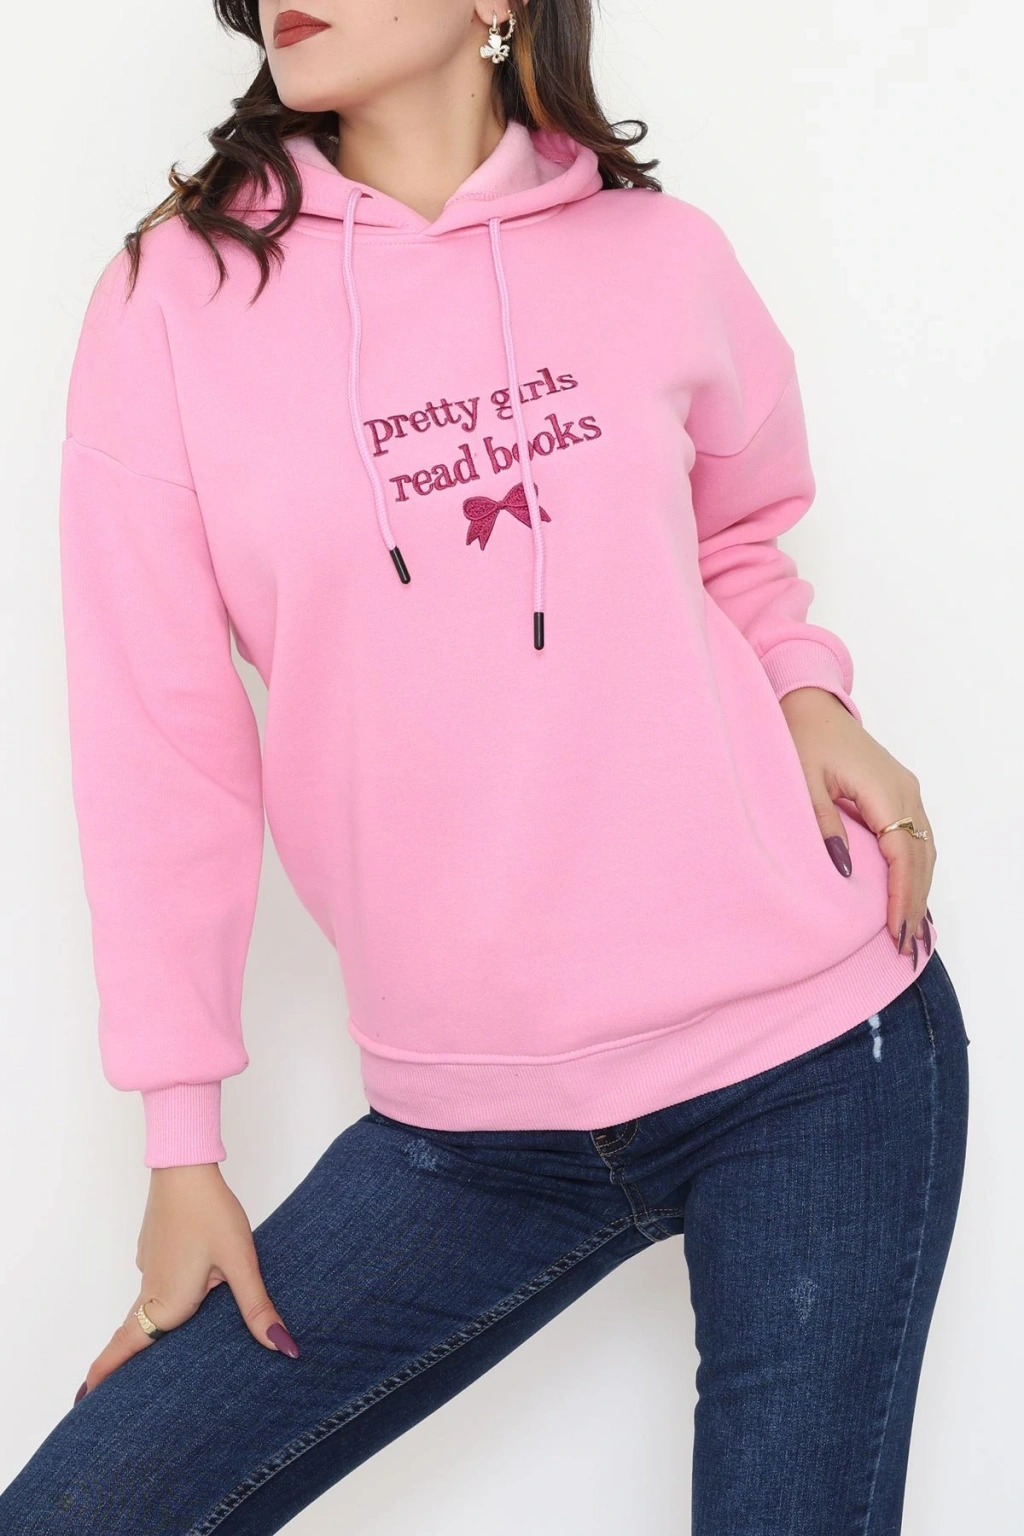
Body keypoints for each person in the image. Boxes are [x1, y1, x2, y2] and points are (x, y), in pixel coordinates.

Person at [1, 2, 969, 1531]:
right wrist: (182, 1146)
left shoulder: (660, 256)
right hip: (470, 1129)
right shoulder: (175, 298)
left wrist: (807, 689)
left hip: (813, 1054)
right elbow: (159, 745)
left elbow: (737, 529)